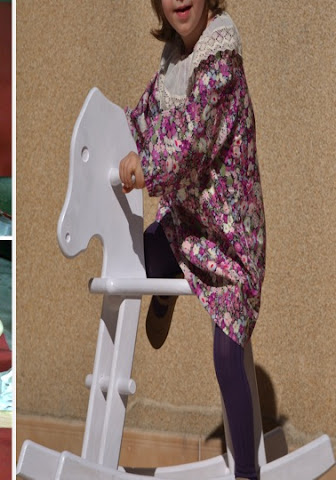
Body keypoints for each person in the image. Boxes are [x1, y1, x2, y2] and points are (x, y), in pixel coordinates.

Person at [118, 1, 266, 479]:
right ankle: (164, 297)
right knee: (145, 252)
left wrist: (147, 165)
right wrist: (119, 141)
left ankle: (247, 471)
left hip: (229, 236)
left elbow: (192, 133)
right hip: (185, 222)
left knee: (227, 353)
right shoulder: (173, 61)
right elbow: (143, 117)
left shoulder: (220, 58)